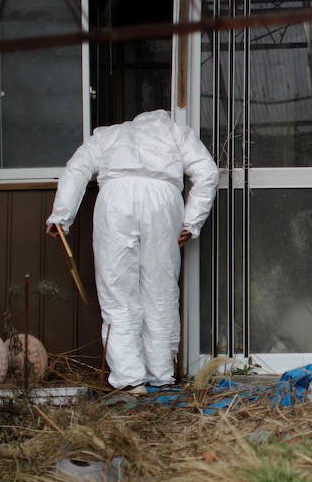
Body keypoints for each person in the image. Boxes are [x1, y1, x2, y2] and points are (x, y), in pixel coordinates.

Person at [45, 110, 218, 390]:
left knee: (117, 292)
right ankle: (160, 375)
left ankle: (128, 379)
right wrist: (191, 222)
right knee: (160, 291)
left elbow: (76, 169)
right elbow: (207, 173)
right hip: (162, 200)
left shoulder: (109, 134)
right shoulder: (177, 132)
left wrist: (61, 216)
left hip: (115, 199)